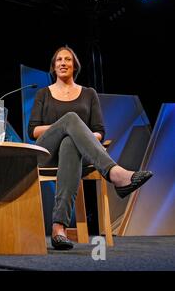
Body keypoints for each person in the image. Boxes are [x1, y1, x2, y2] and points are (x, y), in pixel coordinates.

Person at [28, 46, 153, 250]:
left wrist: (79, 136)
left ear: (74, 66)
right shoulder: (44, 93)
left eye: (67, 59)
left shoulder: (88, 94)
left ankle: (58, 229)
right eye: (59, 60)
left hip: (78, 154)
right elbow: (32, 131)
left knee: (70, 143)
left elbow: (98, 131)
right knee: (70, 119)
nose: (63, 63)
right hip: (47, 152)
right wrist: (65, 127)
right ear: (53, 67)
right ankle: (115, 173)